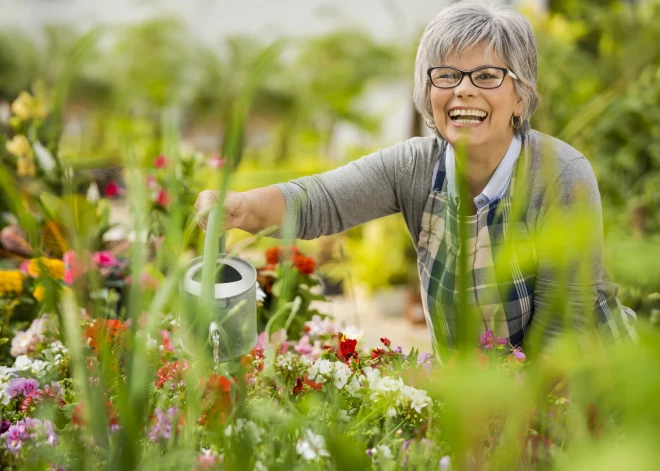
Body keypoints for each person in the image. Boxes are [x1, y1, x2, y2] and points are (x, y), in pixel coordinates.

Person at [195, 1, 636, 357]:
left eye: (487, 75)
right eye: (446, 75)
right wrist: (243, 207)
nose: (463, 89)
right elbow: (320, 201)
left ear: (520, 96)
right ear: (429, 94)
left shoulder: (559, 173)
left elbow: (563, 330)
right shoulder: (414, 167)